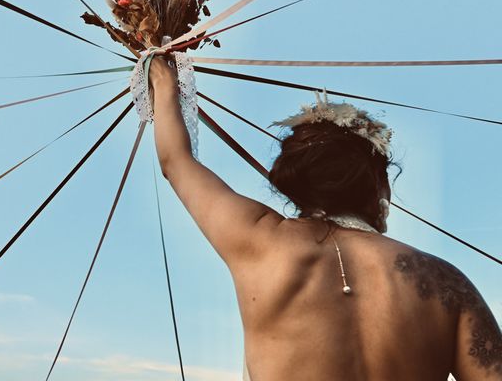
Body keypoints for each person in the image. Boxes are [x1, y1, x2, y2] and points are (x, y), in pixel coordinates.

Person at [149, 55, 502, 381]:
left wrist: (162, 78)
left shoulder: (259, 239)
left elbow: (175, 161)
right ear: (377, 184)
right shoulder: (447, 284)